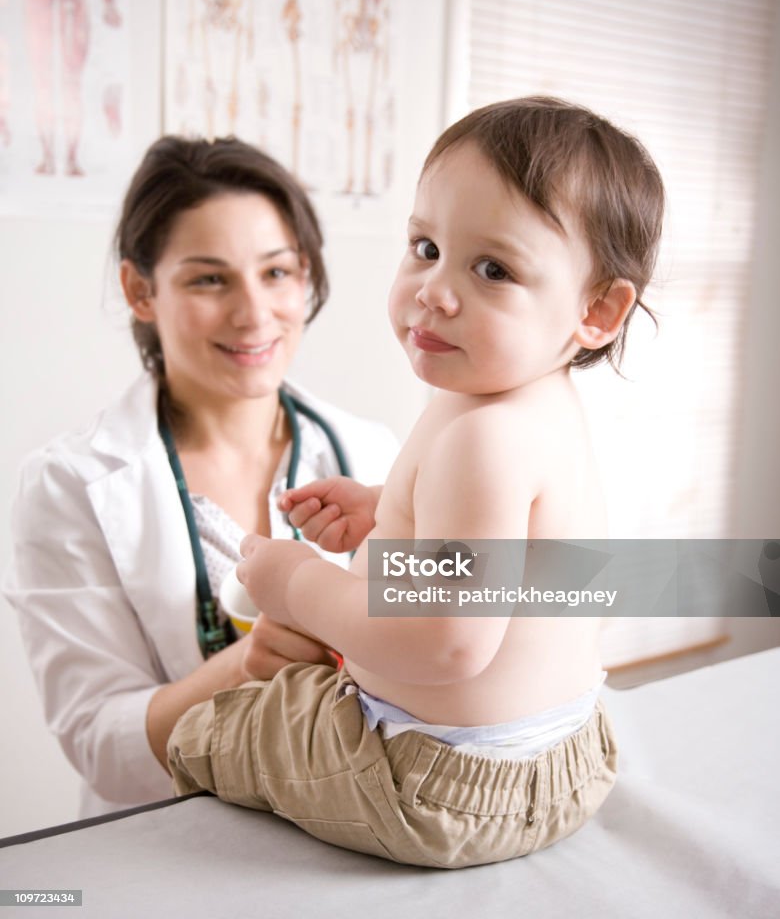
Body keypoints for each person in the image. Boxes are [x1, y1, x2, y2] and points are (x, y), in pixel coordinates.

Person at [167, 97, 665, 868]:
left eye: (493, 268)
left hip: (437, 784)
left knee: (210, 733)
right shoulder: (539, 408)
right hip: (569, 757)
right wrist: (385, 515)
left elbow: (445, 645)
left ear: (598, 310)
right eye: (425, 246)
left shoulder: (482, 436)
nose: (434, 290)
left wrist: (299, 584)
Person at [3, 135, 398, 819]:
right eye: (209, 279)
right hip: (173, 845)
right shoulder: (69, 485)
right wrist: (243, 668)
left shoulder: (370, 452)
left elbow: (518, 594)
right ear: (140, 290)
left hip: (357, 827)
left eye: (276, 272)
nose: (253, 313)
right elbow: (99, 744)